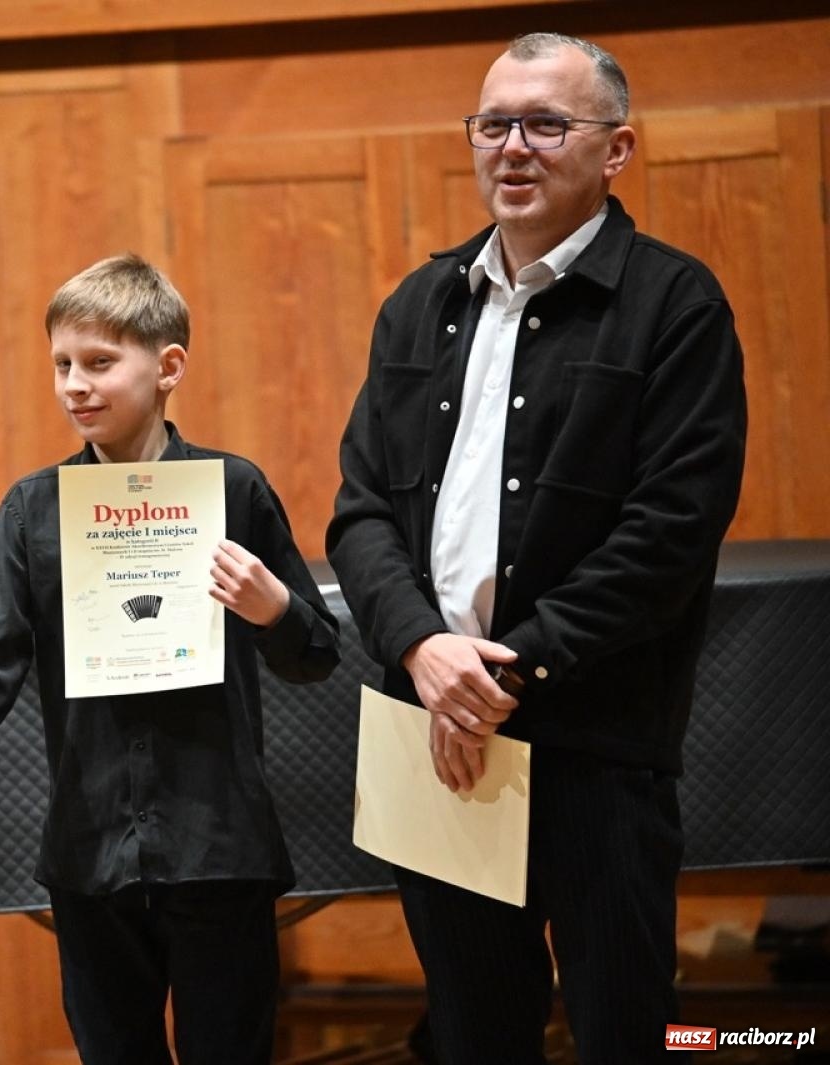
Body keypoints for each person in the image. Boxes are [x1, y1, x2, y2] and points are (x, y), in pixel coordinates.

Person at [0, 254, 340, 1065]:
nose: (75, 385)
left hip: (218, 854)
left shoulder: (233, 489)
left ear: (168, 368)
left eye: (99, 362)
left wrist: (276, 611)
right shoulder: (32, 511)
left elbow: (316, 658)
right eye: (61, 364)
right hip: (92, 859)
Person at [326, 32, 747, 1064]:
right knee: (472, 1035)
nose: (511, 147)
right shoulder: (417, 303)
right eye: (493, 124)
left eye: (546, 124)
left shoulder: (673, 305)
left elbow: (670, 533)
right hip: (432, 737)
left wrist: (507, 671)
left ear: (615, 150)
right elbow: (361, 511)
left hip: (593, 743)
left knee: (619, 1030)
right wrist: (425, 651)